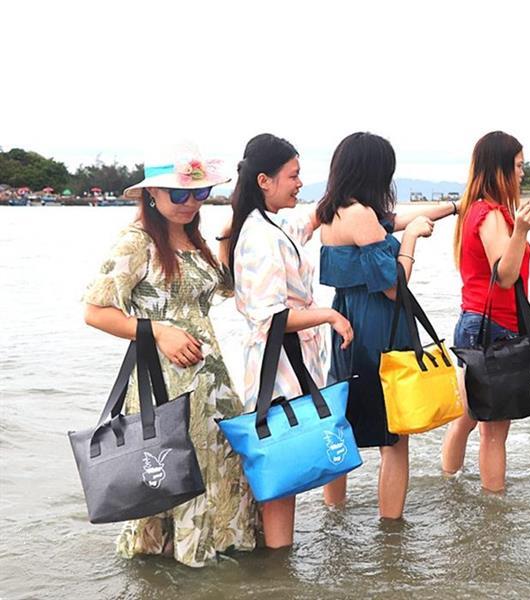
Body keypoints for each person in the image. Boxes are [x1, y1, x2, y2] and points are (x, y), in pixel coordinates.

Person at [83, 150, 256, 567]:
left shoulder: (191, 235)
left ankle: (221, 557)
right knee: (177, 466)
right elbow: (95, 311)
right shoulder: (136, 241)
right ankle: (177, 564)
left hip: (210, 379)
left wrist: (228, 235)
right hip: (164, 379)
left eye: (201, 193)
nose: (192, 203)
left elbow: (224, 290)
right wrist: (158, 331)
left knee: (221, 463)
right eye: (181, 194)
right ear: (153, 194)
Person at [317, 131, 458, 519]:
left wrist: (451, 207)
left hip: (347, 324)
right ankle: (391, 529)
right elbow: (397, 286)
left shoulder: (334, 211)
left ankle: (335, 517)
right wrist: (412, 239)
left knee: (341, 425)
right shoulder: (362, 215)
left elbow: (391, 222)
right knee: (394, 437)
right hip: (377, 327)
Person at [227, 133, 354, 548]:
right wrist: (329, 314)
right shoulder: (260, 235)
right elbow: (271, 318)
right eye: (294, 175)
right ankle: (279, 569)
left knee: (287, 470)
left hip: (287, 363)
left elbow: (305, 222)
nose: (300, 183)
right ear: (265, 180)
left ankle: (278, 571)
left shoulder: (271, 223)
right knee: (282, 476)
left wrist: (341, 188)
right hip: (276, 368)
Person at [441, 130, 530, 492]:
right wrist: (523, 232)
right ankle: (494, 515)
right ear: (500, 170)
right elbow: (505, 275)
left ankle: (450, 485)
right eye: (518, 166)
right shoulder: (492, 215)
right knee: (494, 433)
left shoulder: (473, 211)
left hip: (474, 323)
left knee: (467, 416)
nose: (522, 174)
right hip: (494, 326)